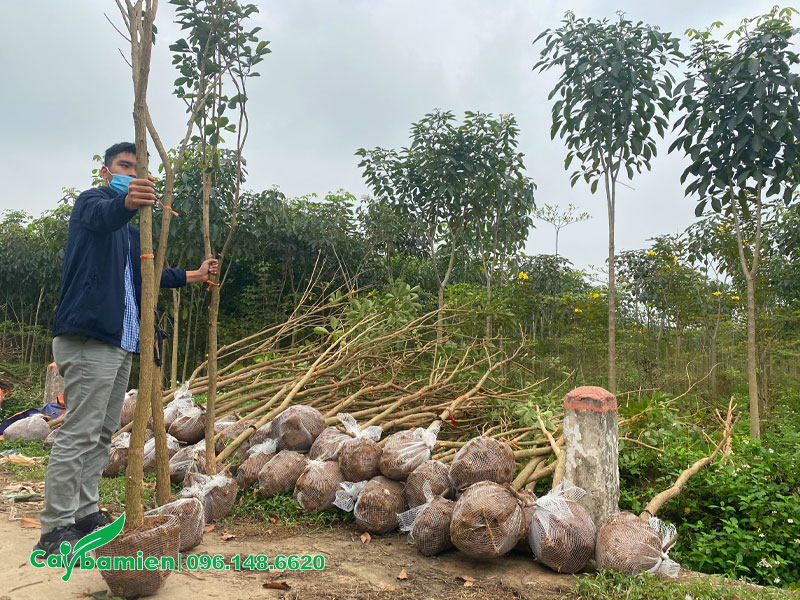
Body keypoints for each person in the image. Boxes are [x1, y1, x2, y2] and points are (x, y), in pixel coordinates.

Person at [36, 142, 218, 556]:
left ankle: (83, 515)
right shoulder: (92, 204)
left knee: (100, 434)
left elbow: (152, 274)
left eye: (139, 169)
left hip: (121, 341)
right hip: (90, 336)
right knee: (79, 432)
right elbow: (105, 215)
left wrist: (195, 274)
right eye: (124, 166)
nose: (132, 173)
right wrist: (126, 201)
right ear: (106, 172)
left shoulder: (133, 235)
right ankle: (54, 529)